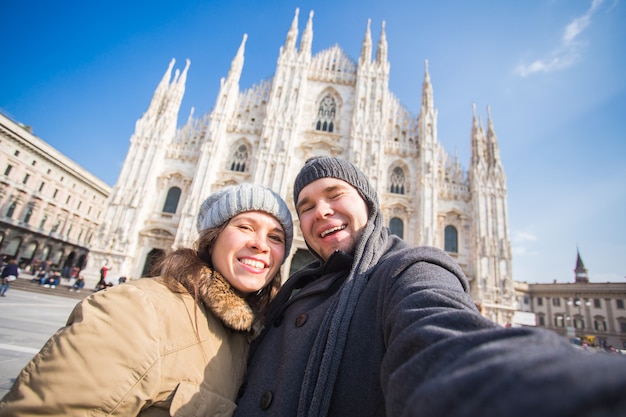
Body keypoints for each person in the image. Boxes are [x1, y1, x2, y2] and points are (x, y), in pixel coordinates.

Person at [234, 156, 626, 417]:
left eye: (335, 195)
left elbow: (445, 339)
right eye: (305, 207)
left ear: (369, 205)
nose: (321, 210)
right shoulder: (286, 291)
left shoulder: (407, 270)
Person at [0, 183, 293, 416]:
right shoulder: (137, 310)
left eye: (276, 237)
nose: (260, 244)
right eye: (244, 226)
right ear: (211, 237)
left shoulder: (250, 333)